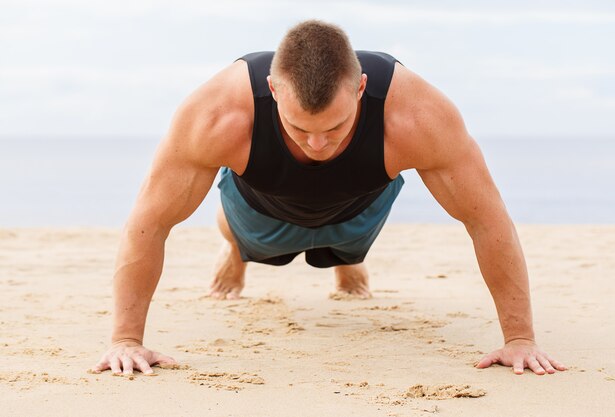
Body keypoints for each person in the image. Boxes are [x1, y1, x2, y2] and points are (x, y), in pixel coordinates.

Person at [91, 20, 566, 377]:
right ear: (272, 90)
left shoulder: (417, 116)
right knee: (253, 241)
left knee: (347, 246)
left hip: (360, 202)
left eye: (336, 127)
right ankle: (236, 249)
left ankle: (343, 258)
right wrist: (126, 339)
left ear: (360, 88)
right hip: (261, 205)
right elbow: (149, 221)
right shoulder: (218, 114)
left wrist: (519, 338)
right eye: (299, 128)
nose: (317, 145)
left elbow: (487, 219)